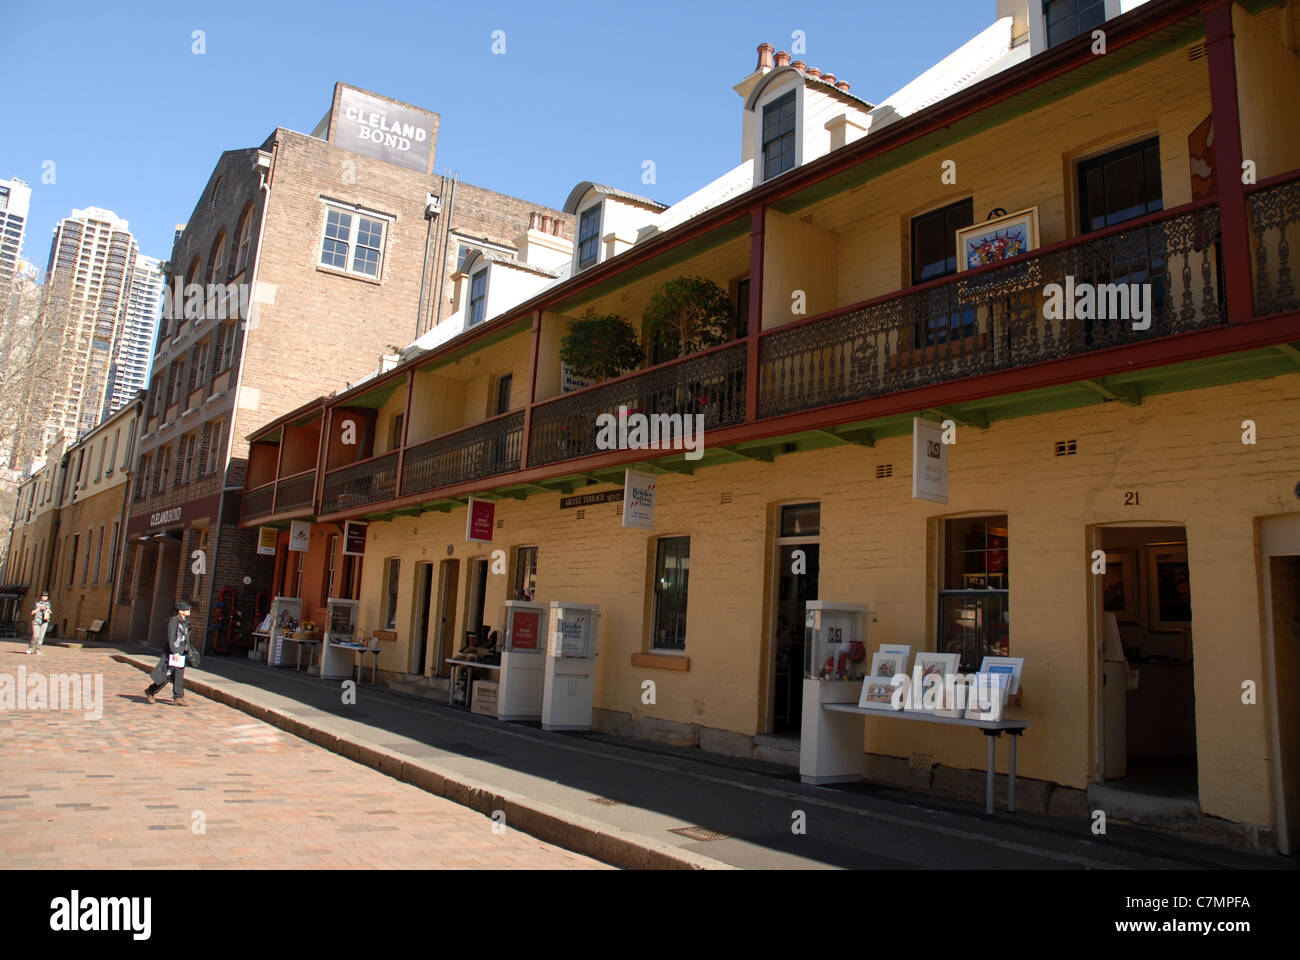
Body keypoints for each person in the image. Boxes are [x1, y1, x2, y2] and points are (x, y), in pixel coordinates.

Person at [145, 602, 194, 706]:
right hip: (173, 652)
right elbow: (171, 638)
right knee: (167, 675)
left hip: (182, 652)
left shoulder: (186, 622)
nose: (189, 611)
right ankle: (151, 690)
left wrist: (188, 650)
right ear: (180, 611)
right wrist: (174, 651)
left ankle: (178, 697)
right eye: (187, 609)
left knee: (179, 675)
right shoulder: (174, 621)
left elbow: (185, 638)